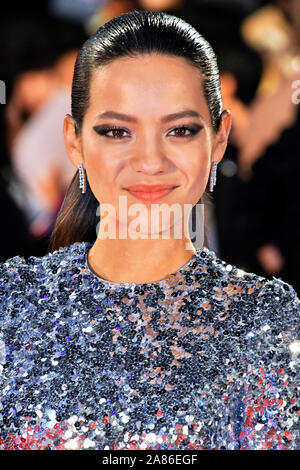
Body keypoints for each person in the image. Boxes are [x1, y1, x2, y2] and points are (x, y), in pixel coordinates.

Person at [0, 10, 298, 451]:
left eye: (179, 130)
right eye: (118, 131)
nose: (151, 161)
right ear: (74, 141)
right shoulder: (11, 303)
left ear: (218, 139)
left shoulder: (265, 317)